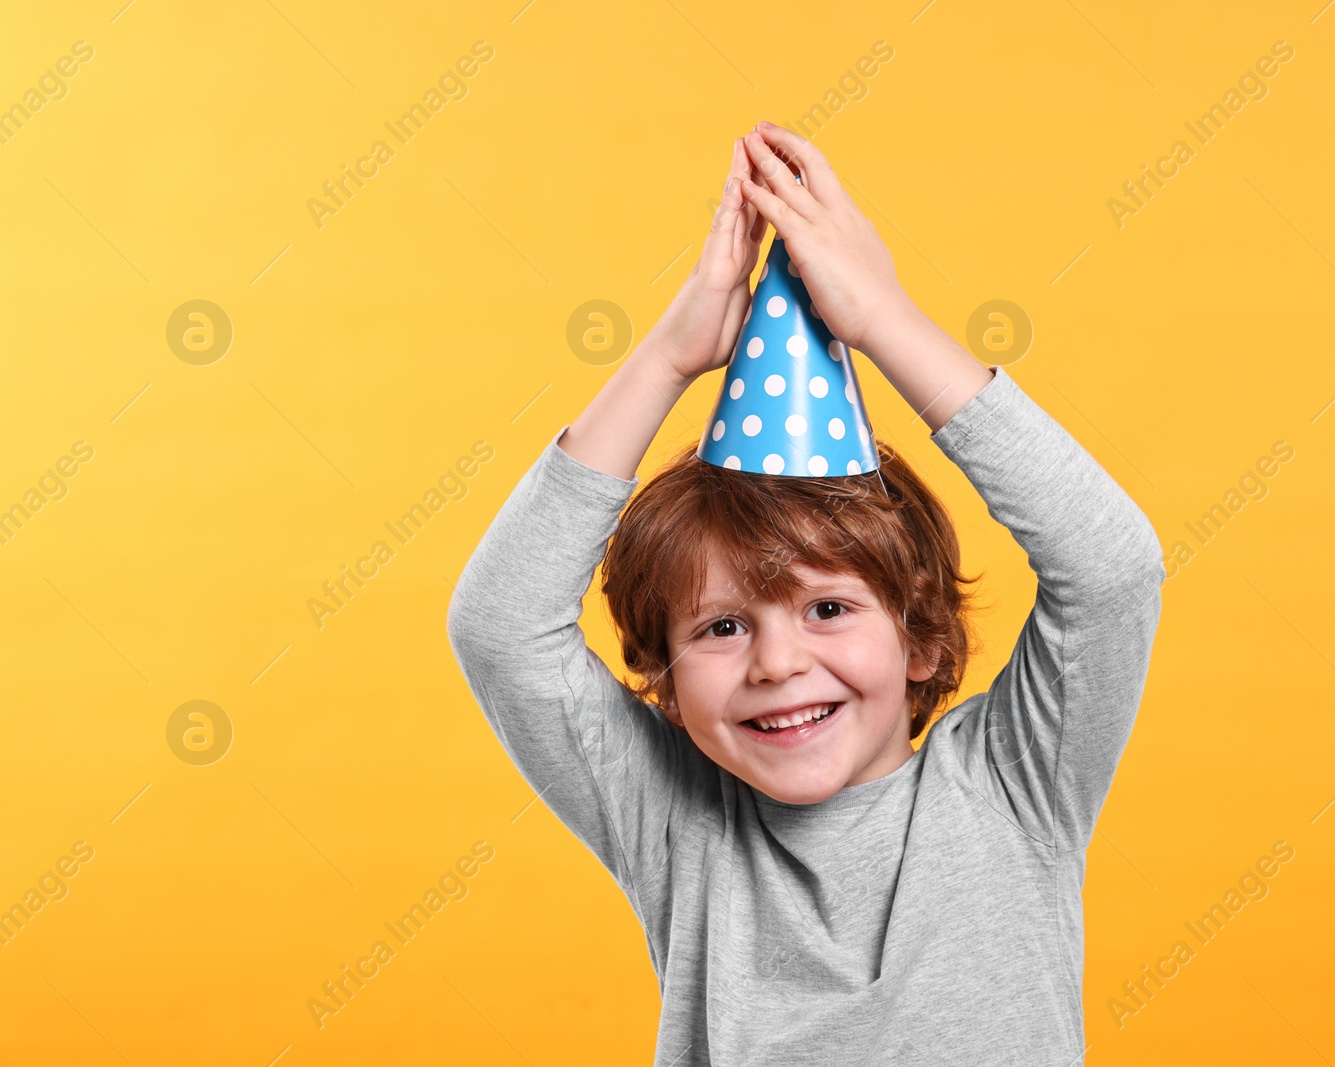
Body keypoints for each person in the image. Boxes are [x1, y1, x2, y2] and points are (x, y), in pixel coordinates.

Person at [447, 120, 1166, 1065]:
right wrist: (667, 357)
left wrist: (886, 323)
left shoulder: (1012, 781)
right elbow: (502, 627)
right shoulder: (677, 820)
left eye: (828, 607)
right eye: (721, 625)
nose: (778, 661)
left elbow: (1112, 567)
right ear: (663, 671)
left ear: (917, 636)